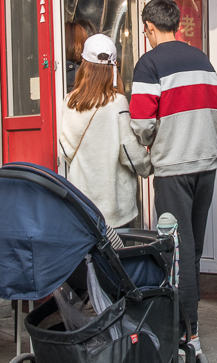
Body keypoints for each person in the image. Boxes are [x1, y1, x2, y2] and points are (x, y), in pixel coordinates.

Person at [131, 0, 217, 351]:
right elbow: (215, 112)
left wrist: (152, 142)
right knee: (193, 248)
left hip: (173, 168)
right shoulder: (203, 60)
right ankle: (189, 325)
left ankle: (187, 333)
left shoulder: (149, 63)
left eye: (145, 30)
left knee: (176, 249)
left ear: (152, 28)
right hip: (206, 165)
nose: (146, 35)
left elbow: (141, 122)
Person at [59, 34, 151, 228]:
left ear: (83, 64)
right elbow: (129, 153)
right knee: (118, 257)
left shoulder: (70, 102)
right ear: (113, 68)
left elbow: (66, 152)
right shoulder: (116, 103)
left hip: (82, 206)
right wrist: (149, 167)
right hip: (115, 207)